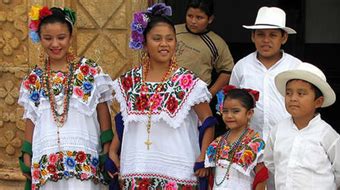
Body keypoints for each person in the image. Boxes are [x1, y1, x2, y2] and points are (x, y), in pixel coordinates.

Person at [108, 3, 216, 189]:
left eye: (170, 39)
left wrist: (204, 156)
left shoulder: (187, 82)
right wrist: (112, 151)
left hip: (177, 169)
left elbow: (207, 120)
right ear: (144, 41)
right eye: (157, 39)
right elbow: (123, 121)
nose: (164, 44)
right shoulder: (129, 81)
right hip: (137, 166)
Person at [18, 5, 113, 189]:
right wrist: (27, 152)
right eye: (48, 38)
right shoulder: (34, 77)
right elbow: (31, 118)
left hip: (84, 156)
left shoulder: (89, 70)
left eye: (61, 37)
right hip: (46, 159)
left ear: (71, 37)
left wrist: (107, 146)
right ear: (39, 38)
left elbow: (103, 110)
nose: (55, 44)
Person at [264, 62, 340, 189]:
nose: (293, 98)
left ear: (318, 102)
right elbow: (271, 162)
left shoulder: (326, 134)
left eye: (301, 93)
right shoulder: (278, 130)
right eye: (289, 93)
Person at [229, 6, 302, 141]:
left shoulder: (295, 67)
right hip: (249, 142)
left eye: (273, 35)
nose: (266, 40)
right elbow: (231, 104)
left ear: (284, 37)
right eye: (261, 34)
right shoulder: (242, 67)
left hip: (287, 140)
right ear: (253, 36)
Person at [205, 86, 267, 190]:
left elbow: (261, 178)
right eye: (225, 111)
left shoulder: (255, 144)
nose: (229, 115)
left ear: (249, 113)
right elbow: (212, 178)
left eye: (235, 111)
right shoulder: (216, 143)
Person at [175, 0, 234, 97]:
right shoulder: (173, 31)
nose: (193, 21)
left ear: (210, 19)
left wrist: (209, 94)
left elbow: (227, 71)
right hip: (165, 91)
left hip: (195, 97)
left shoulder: (217, 43)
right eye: (190, 16)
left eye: (199, 17)